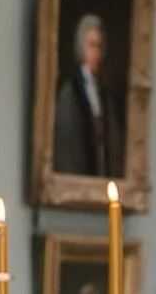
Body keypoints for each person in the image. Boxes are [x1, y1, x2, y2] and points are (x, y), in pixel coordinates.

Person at [53, 13, 125, 177]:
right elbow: (66, 145)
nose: (96, 53)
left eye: (99, 46)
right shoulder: (70, 92)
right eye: (91, 46)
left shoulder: (104, 94)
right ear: (81, 47)